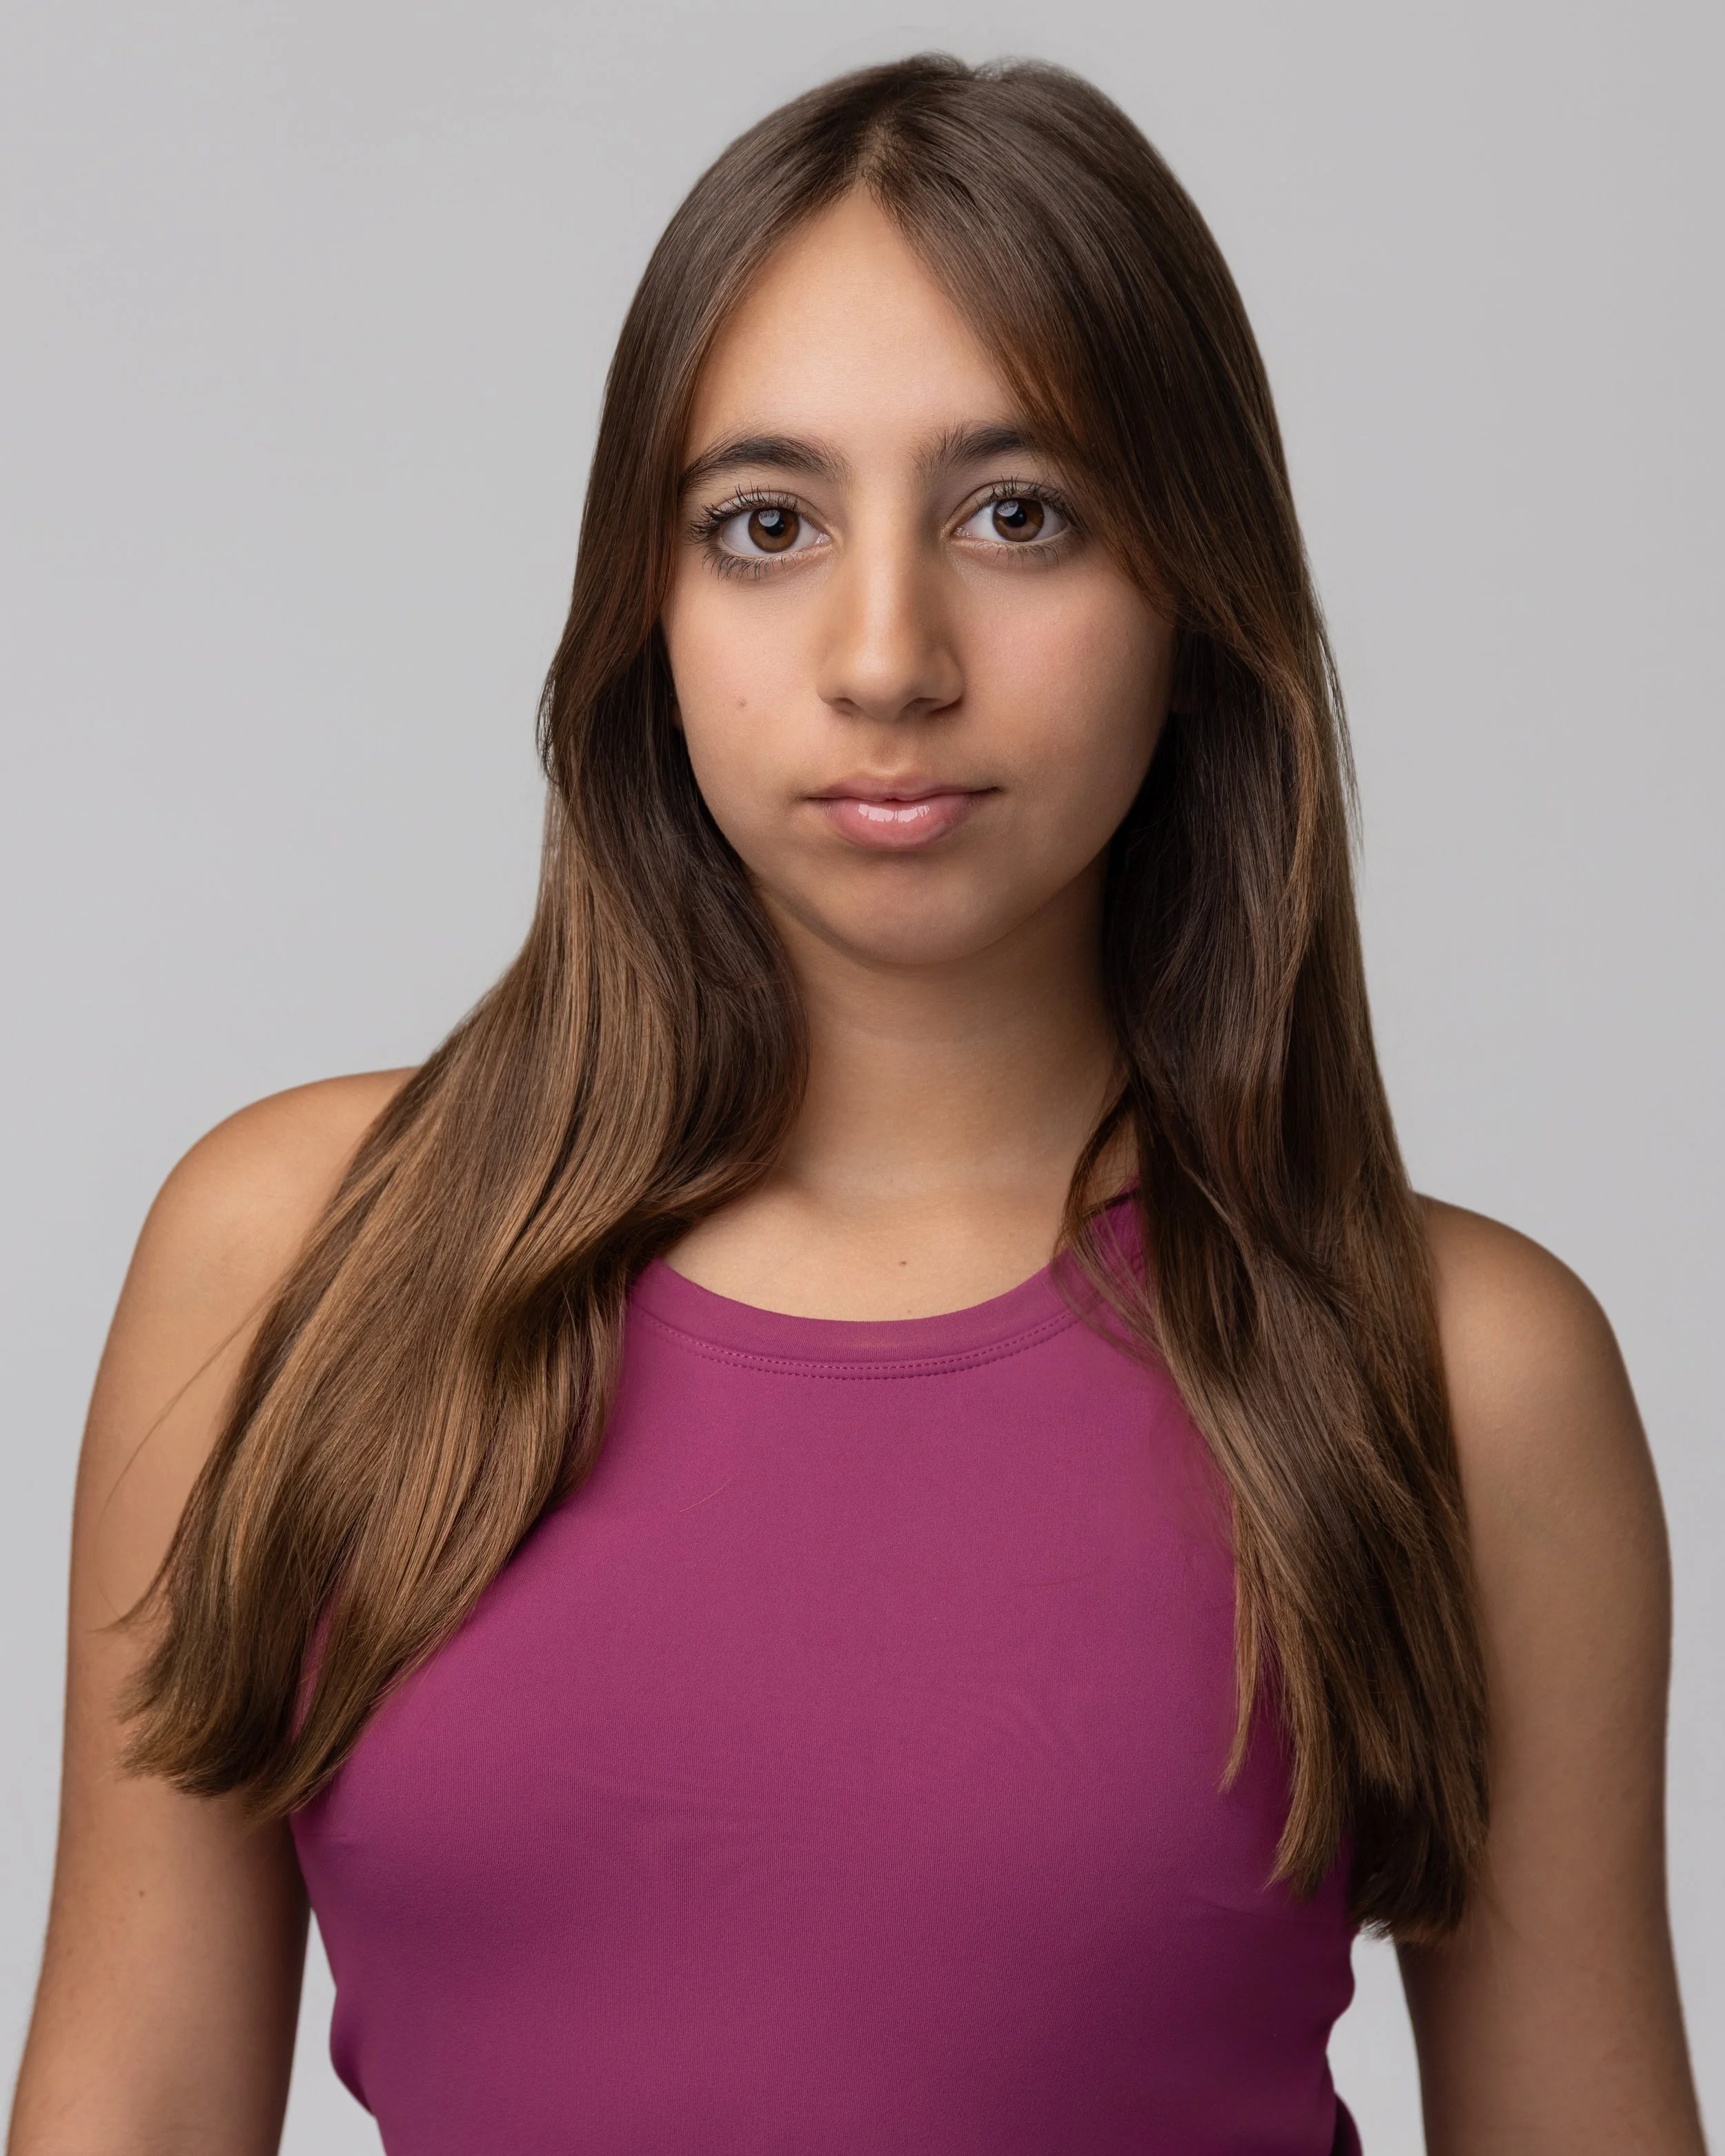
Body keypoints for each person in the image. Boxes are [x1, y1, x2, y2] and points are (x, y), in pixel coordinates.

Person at [8, 55, 1705, 2156]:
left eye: (1019, 514)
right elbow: (128, 2113)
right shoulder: (290, 1260)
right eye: (766, 523)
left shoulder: (1460, 1373)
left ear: (1191, 595)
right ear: (651, 599)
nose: (884, 652)